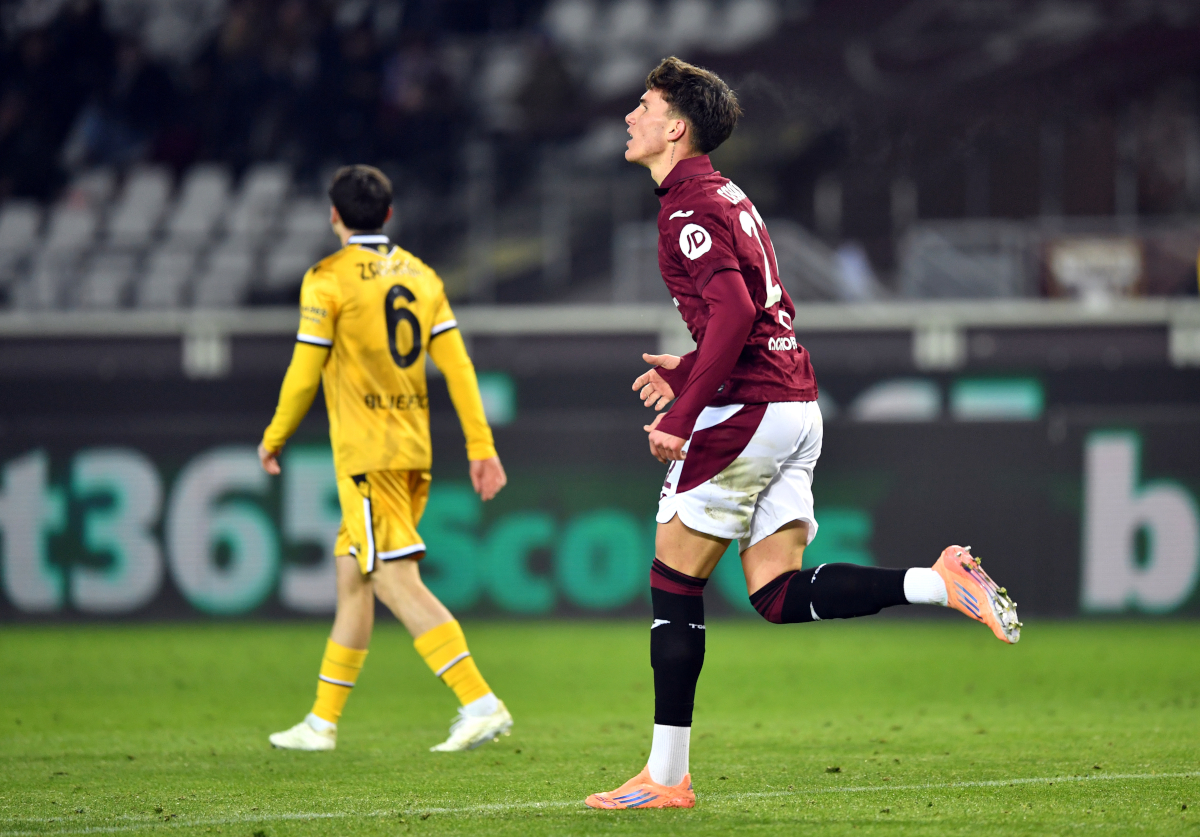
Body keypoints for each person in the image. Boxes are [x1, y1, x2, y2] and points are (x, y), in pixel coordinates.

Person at [585, 58, 1021, 810]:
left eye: (645, 105)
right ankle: (939, 581)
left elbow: (735, 314)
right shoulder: (728, 195)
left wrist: (685, 410)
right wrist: (690, 366)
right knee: (777, 593)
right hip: (795, 404)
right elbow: (755, 311)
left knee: (672, 580)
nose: (632, 116)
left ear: (675, 128)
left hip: (747, 411)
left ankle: (665, 777)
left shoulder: (686, 210)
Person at [260, 165, 513, 753]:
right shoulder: (422, 276)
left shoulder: (327, 280)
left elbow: (304, 372)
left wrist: (275, 435)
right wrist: (480, 445)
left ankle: (480, 701)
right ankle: (321, 723)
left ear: (334, 216)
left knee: (392, 578)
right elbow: (458, 366)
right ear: (389, 215)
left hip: (367, 454)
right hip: (411, 449)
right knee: (354, 577)